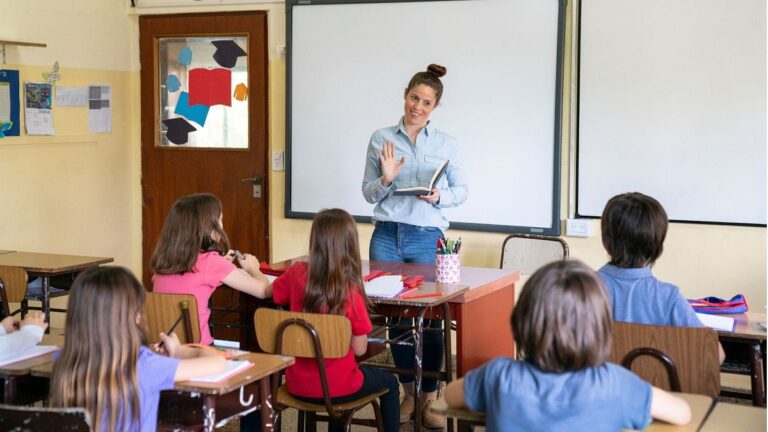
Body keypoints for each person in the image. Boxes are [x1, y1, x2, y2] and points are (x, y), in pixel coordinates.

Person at [444, 260, 692, 431]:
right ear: (599, 328)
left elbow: (449, 396)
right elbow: (683, 413)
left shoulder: (498, 376)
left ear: (522, 320)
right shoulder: (614, 383)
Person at [361, 63, 468, 428]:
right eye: (413, 98)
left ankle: (430, 399)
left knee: (432, 320)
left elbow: (463, 191)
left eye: (426, 102)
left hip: (426, 237)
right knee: (395, 319)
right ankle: (408, 396)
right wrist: (387, 180)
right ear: (405, 95)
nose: (417, 107)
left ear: (434, 107)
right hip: (387, 235)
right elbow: (368, 192)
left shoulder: (447, 143)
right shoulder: (381, 138)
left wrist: (439, 196)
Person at [49, 266, 227, 432]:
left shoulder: (62, 360)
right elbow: (217, 362)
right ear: (133, 317)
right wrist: (179, 350)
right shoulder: (145, 365)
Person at [270, 208, 400, 432]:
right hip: (339, 388)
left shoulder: (295, 273)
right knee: (390, 382)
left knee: (340, 381)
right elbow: (359, 350)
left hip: (294, 384)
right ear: (350, 245)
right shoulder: (350, 291)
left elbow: (273, 293)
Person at [598, 192, 725, 363]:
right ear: (657, 243)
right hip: (654, 388)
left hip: (600, 388)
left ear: (606, 239)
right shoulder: (668, 297)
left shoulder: (581, 289)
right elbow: (716, 355)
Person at [151, 193, 271, 346]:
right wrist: (254, 270)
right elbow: (265, 291)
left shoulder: (162, 265)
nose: (222, 225)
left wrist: (221, 267)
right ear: (208, 228)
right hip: (198, 351)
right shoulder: (212, 263)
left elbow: (193, 282)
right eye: (220, 220)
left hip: (165, 349)